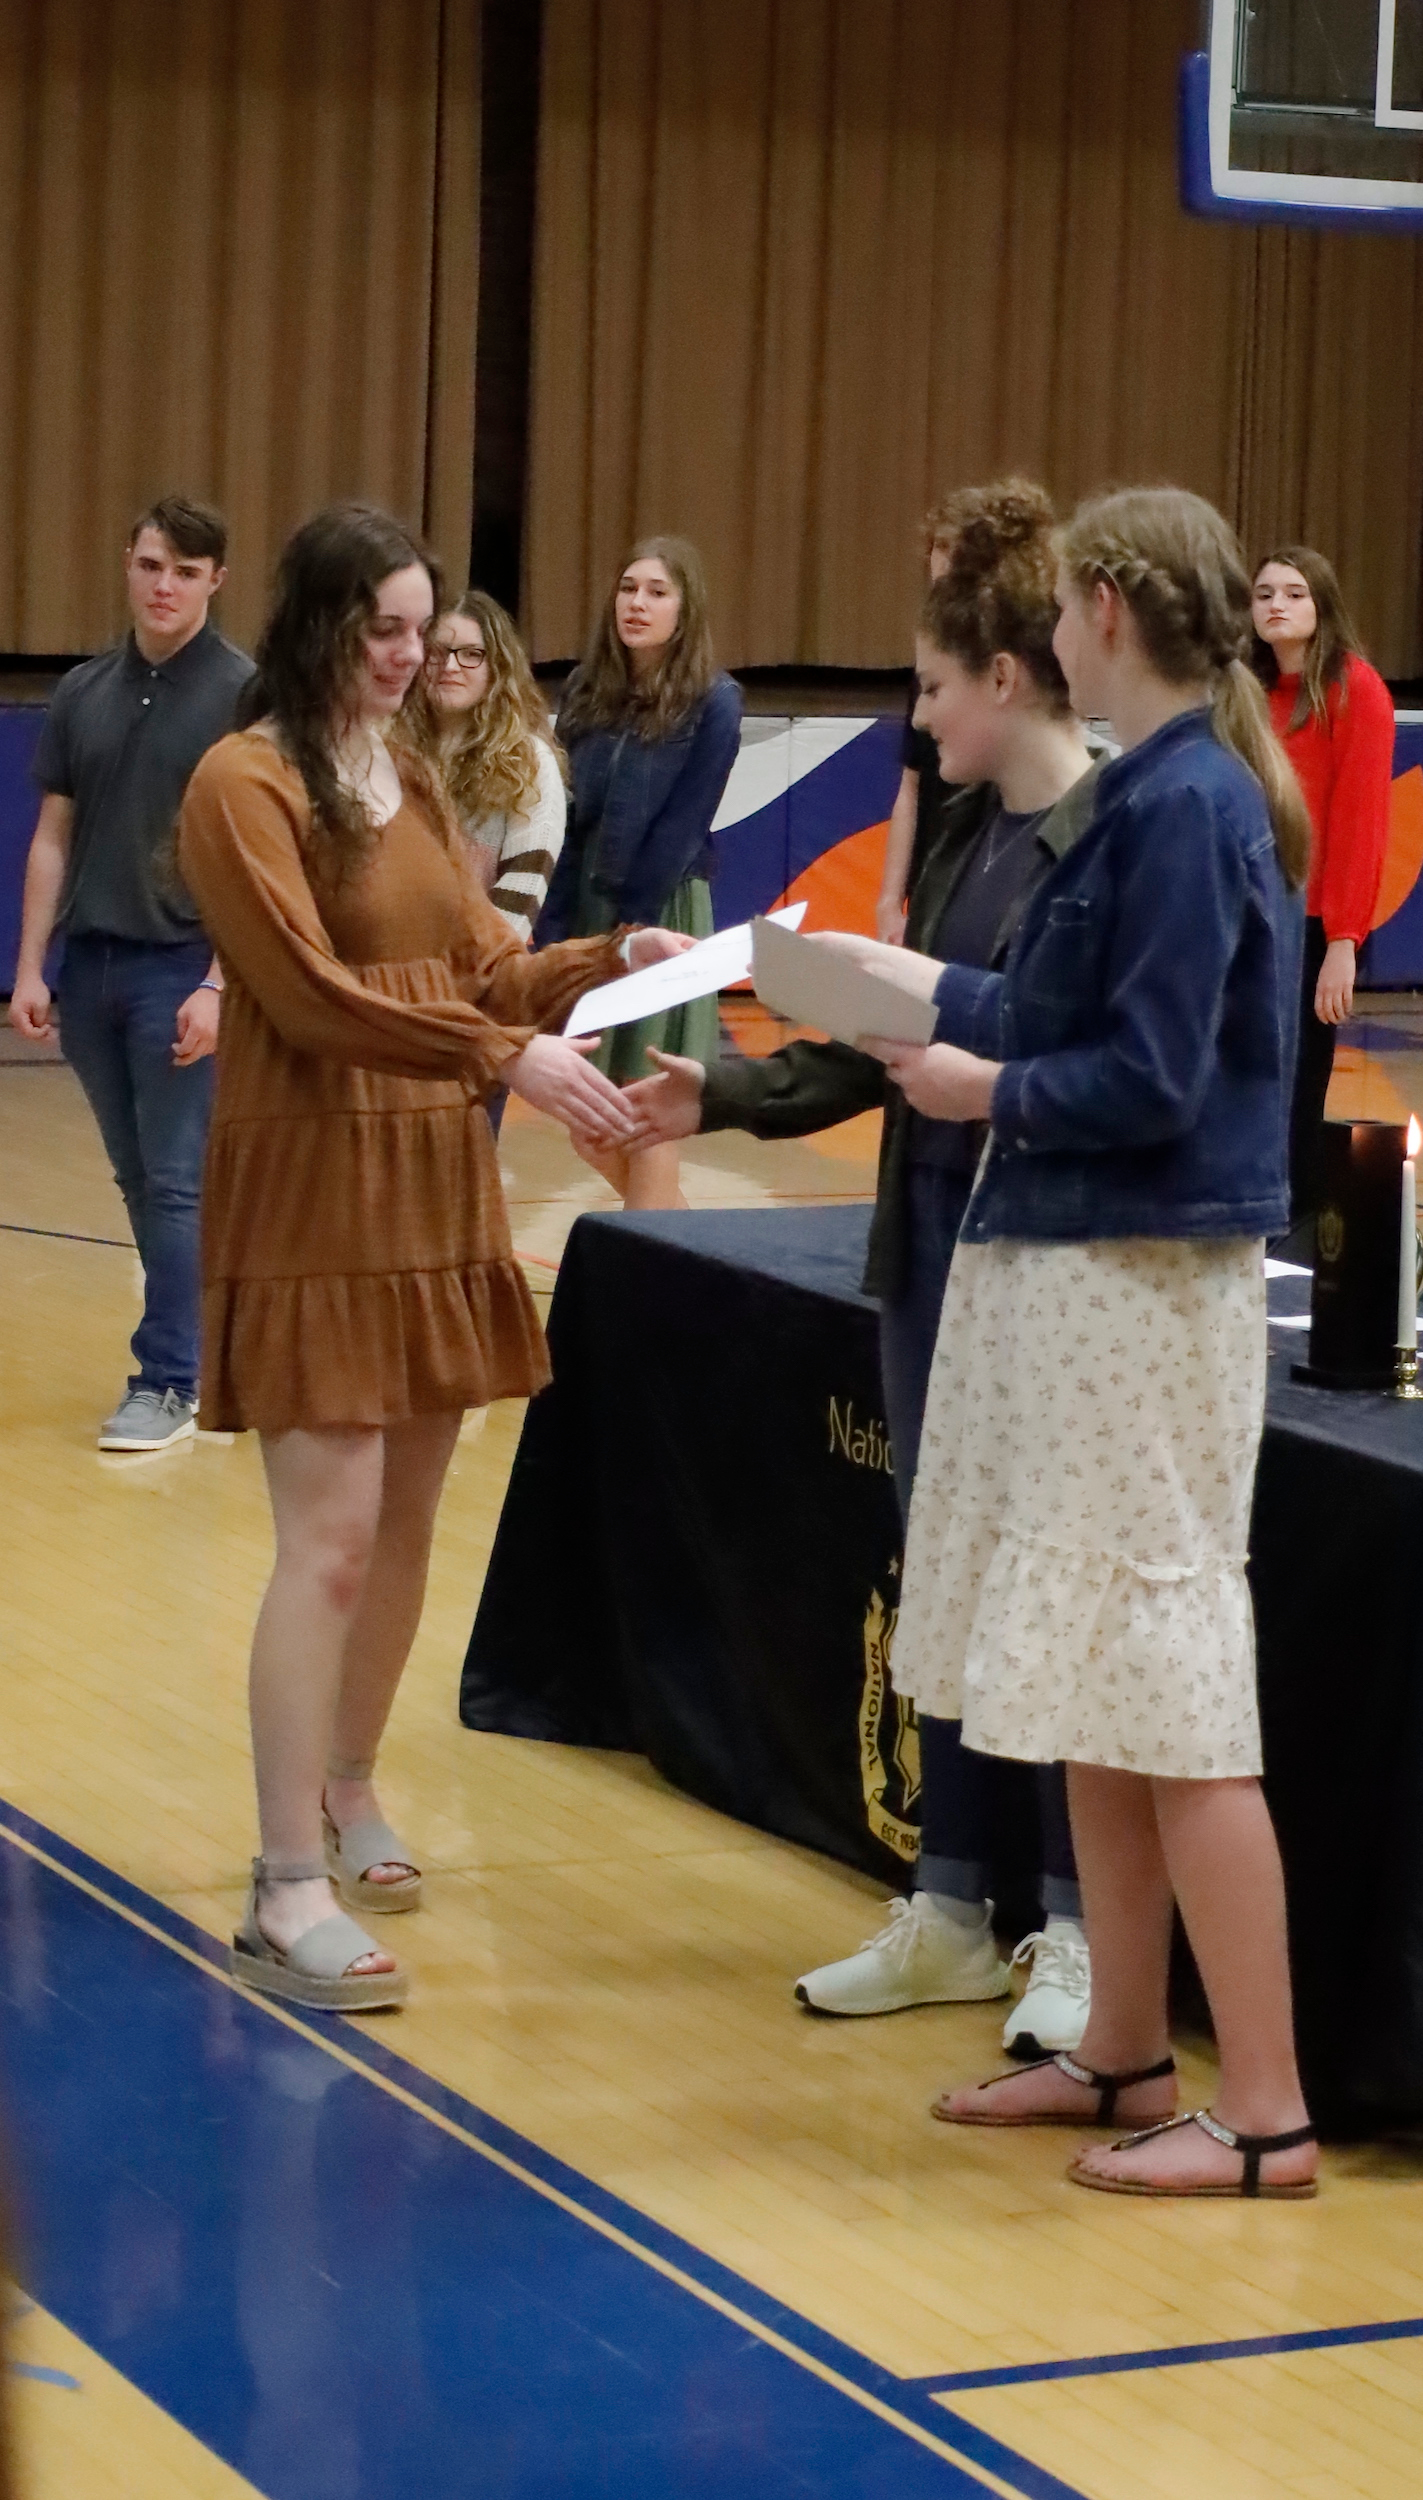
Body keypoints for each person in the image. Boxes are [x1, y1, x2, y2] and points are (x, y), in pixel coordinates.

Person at [822, 486, 1318, 2198]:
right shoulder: (1144, 793)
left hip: (1141, 1288)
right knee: (1103, 1685)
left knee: (1174, 1697)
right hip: (1077, 1279)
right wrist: (878, 989)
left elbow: (1151, 1074)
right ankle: (1121, 2046)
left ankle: (1265, 2113)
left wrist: (989, 1092)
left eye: (1056, 612)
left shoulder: (1185, 805)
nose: (1039, 635)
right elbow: (1045, 1007)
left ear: (1103, 609)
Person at [176, 502, 686, 2014]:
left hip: (426, 1180)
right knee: (327, 1541)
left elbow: (481, 963)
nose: (407, 655)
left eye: (420, 628)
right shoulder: (241, 782)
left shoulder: (401, 772)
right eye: (381, 628)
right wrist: (501, 1055)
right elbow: (311, 995)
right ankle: (281, 1883)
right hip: (314, 1186)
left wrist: (607, 959)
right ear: (317, 624)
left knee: (403, 1525)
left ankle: (349, 1782)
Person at [628, 482, 1103, 2055]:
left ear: (1004, 675)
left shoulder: (1108, 834)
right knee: (941, 1578)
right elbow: (892, 1023)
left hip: (1043, 1264)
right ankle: (952, 1901)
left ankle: (1075, 1924)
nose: (914, 717)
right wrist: (722, 1071)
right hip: (926, 1251)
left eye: (927, 685)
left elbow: (1054, 1046)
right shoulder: (965, 821)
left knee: (1045, 1592)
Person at [8, 496, 253, 1451]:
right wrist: (32, 966)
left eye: (186, 572)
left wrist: (221, 983)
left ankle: (169, 1379)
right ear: (128, 563)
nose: (164, 586)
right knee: (138, 1180)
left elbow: (258, 857)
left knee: (176, 1180)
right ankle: (213, 1353)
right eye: (152, 566)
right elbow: (52, 837)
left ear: (215, 581)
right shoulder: (84, 691)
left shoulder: (244, 694)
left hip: (183, 967)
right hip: (92, 966)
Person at [535, 535, 743, 1210]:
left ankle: (658, 1260)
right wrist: (557, 934)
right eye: (628, 588)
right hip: (588, 909)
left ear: (685, 608)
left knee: (645, 1112)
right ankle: (681, 1250)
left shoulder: (715, 701)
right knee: (590, 1123)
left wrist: (635, 926)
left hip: (663, 910)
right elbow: (565, 814)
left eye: (656, 592)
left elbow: (685, 823)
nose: (637, 603)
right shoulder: (585, 689)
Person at [1250, 545, 1394, 1221]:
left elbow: (1361, 822)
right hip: (1244, 912)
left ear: (1321, 605)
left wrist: (1342, 940)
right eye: (1264, 595)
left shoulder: (1354, 689)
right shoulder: (1241, 691)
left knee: (1295, 1090)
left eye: (1293, 593)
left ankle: (1292, 1229)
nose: (1276, 605)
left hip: (1310, 925)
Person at [427, 589, 566, 945]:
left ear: (498, 667)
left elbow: (521, 895)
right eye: (438, 652)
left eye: (471, 654)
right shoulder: (389, 748)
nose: (450, 666)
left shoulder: (529, 761)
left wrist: (470, 966)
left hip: (480, 965)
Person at [874, 500, 961, 944]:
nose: (944, 562)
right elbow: (910, 787)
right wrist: (890, 900)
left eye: (957, 549)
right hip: (930, 878)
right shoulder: (928, 659)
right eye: (939, 548)